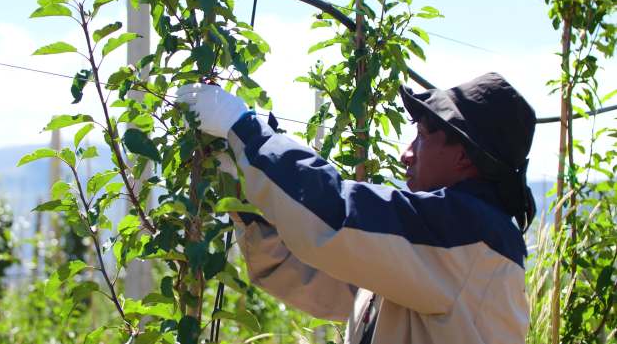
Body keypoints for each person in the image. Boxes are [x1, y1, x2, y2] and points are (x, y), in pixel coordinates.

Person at [177, 72, 536, 344]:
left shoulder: (470, 233)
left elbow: (335, 211)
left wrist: (247, 131)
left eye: (423, 136)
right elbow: (312, 278)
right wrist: (247, 194)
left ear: (463, 156)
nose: (407, 153)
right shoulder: (437, 256)